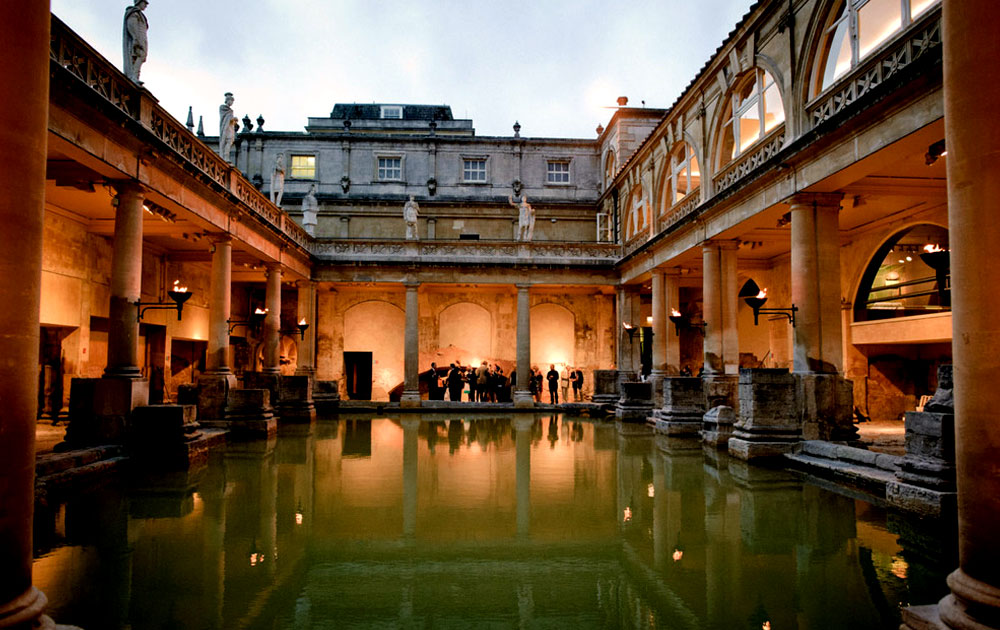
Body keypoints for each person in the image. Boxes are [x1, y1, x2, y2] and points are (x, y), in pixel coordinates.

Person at [122, 0, 149, 84]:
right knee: (137, 55)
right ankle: (133, 76)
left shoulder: (140, 15)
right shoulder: (133, 13)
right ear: (139, 2)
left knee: (141, 56)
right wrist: (135, 38)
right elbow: (131, 25)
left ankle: (135, 76)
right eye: (144, 3)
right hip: (138, 37)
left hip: (143, 38)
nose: (146, 5)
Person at [219, 92, 238, 162]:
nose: (231, 103)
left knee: (229, 141)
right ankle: (225, 156)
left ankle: (226, 156)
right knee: (227, 140)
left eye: (232, 101)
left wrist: (234, 121)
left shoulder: (230, 110)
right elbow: (225, 118)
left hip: (230, 127)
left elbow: (230, 119)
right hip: (225, 128)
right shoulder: (222, 107)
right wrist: (233, 119)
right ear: (227, 100)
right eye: (231, 101)